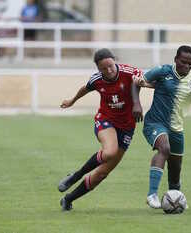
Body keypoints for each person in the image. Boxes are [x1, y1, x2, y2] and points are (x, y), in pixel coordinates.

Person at [134, 45, 191, 209]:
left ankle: (175, 198)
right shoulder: (163, 71)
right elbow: (137, 82)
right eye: (184, 62)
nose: (187, 66)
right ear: (176, 59)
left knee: (175, 170)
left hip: (177, 128)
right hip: (155, 122)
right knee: (164, 148)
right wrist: (137, 104)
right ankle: (152, 194)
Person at [58, 48, 146, 211]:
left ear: (115, 61)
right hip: (106, 120)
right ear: (98, 69)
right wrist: (72, 100)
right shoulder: (97, 80)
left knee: (102, 174)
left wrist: (138, 100)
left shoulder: (130, 72)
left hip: (127, 127)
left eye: (111, 66)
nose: (109, 70)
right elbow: (85, 88)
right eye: (103, 69)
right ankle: (75, 176)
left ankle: (68, 199)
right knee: (110, 151)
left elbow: (142, 81)